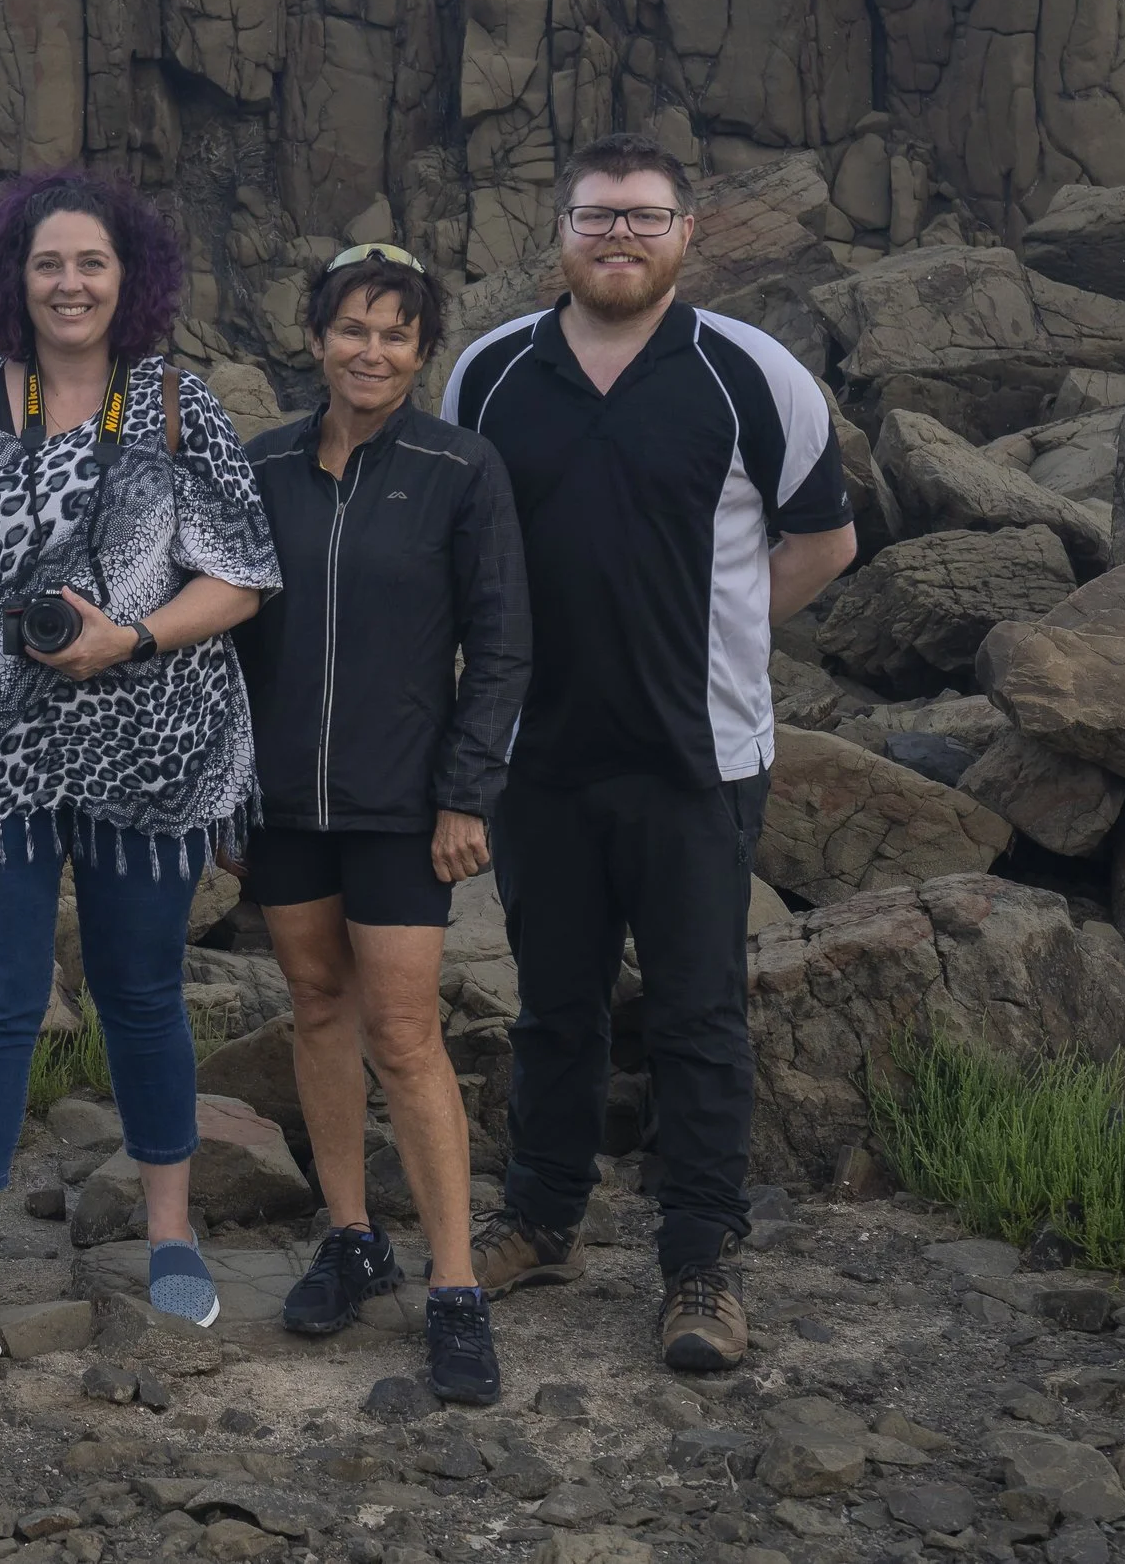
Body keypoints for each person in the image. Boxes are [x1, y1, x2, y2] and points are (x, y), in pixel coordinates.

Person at [440, 134, 858, 1371]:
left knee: (698, 1014)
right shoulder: (487, 373)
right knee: (553, 1007)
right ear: (558, 229)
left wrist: (713, 626)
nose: (617, 236)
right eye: (595, 216)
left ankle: (700, 1260)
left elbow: (823, 543)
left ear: (687, 231)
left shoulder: (752, 373)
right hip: (536, 753)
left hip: (700, 752)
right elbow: (465, 550)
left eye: (642, 217)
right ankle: (546, 1214)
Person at [0, 170, 279, 1364]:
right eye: (48, 263)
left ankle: (171, 1239)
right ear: (15, 277)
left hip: (155, 743)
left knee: (143, 995)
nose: (69, 283)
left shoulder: (173, 404)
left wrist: (131, 636)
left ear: (129, 280)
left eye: (91, 264)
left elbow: (244, 571)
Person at [233, 242, 530, 1404]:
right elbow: (221, 632)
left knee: (404, 1034)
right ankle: (350, 1237)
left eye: (395, 334)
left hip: (406, 804)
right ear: (316, 338)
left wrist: (469, 790)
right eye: (351, 328)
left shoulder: (461, 467)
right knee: (314, 1003)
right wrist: (224, 788)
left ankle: (453, 1284)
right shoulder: (260, 462)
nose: (371, 350)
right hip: (282, 802)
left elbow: (501, 643)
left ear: (421, 350)